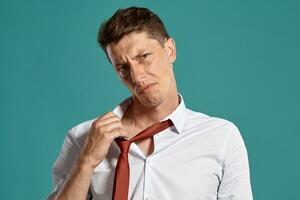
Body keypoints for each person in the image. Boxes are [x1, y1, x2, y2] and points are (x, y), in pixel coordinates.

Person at [47, 6, 253, 200]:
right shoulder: (83, 138)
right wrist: (86, 161)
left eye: (144, 56)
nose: (137, 76)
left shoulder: (221, 138)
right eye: (123, 68)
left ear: (170, 50)